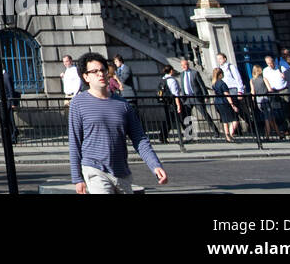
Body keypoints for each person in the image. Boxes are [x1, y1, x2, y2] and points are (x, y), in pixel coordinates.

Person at [69, 52, 167, 194]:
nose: (101, 74)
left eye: (103, 70)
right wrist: (77, 178)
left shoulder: (122, 104)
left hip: (122, 171)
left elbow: (139, 138)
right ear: (86, 77)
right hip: (95, 169)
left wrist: (155, 165)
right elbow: (75, 142)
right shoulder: (78, 103)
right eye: (94, 71)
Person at [179, 58, 217, 137]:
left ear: (188, 65)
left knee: (204, 114)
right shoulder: (181, 74)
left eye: (185, 65)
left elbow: (201, 84)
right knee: (186, 117)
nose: (184, 66)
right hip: (187, 98)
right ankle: (190, 134)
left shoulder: (194, 73)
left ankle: (216, 131)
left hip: (196, 97)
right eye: (182, 65)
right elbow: (182, 86)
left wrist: (205, 95)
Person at [249, 64, 280, 138]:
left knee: (270, 117)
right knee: (267, 117)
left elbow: (252, 92)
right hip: (265, 98)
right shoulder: (264, 79)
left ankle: (278, 133)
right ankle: (267, 135)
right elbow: (269, 89)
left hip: (258, 99)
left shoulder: (252, 80)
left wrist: (253, 101)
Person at [210, 67, 241, 142]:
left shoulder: (214, 84)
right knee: (235, 119)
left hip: (217, 102)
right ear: (220, 74)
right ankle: (230, 134)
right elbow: (227, 95)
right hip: (224, 102)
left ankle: (227, 135)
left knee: (224, 120)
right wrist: (232, 105)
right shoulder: (222, 83)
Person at [157, 64, 182, 143]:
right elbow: (175, 94)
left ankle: (162, 136)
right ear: (171, 71)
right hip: (172, 102)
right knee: (179, 118)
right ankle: (189, 136)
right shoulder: (172, 80)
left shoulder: (163, 79)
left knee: (168, 120)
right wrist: (178, 105)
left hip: (165, 102)